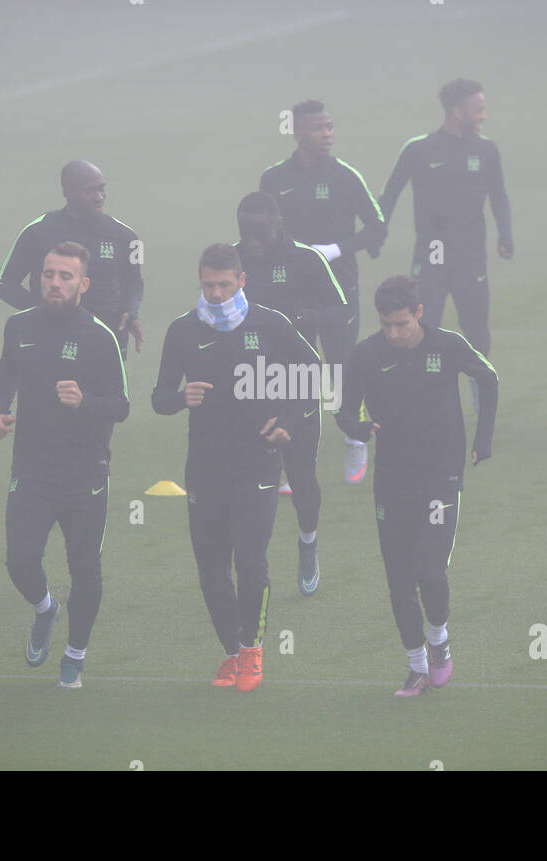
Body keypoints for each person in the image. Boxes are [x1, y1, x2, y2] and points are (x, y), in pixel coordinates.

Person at [152, 243, 320, 692]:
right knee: (210, 569)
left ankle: (252, 648)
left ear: (242, 281)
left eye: (225, 284)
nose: (217, 293)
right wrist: (179, 398)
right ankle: (230, 652)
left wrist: (286, 419)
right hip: (204, 469)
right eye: (209, 285)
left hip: (257, 465)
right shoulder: (183, 330)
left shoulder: (269, 324)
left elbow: (313, 371)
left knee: (250, 561)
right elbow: (159, 397)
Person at [335, 276, 498, 697]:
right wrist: (359, 428)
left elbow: (489, 378)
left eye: (401, 324)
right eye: (386, 325)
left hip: (441, 476)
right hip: (392, 480)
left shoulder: (446, 346)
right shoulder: (366, 355)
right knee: (399, 579)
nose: (393, 333)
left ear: (419, 314)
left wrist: (483, 440)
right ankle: (416, 667)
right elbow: (344, 411)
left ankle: (439, 638)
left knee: (430, 571)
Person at [0, 241, 129, 690]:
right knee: (19, 560)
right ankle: (45, 608)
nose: (54, 282)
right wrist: (0, 408)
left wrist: (84, 401)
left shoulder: (99, 336)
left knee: (85, 569)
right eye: (48, 273)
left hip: (85, 474)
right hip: (31, 469)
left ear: (83, 285)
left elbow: (121, 405)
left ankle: (75, 654)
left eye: (65, 276)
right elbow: (7, 368)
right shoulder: (18, 326)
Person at [261, 99, 388, 483]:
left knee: (340, 367)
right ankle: (287, 455)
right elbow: (261, 228)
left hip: (337, 288)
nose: (327, 134)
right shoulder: (274, 179)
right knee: (290, 370)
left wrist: (336, 250)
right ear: (297, 132)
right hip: (291, 289)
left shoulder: (346, 177)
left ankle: (354, 437)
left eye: (330, 127)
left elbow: (377, 227)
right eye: (319, 128)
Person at [233, 190, 348, 596]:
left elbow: (340, 310)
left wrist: (305, 317)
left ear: (278, 224)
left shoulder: (306, 259)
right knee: (245, 477)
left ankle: (308, 541)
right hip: (245, 381)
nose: (251, 241)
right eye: (245, 232)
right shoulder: (233, 260)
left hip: (298, 379)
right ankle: (250, 562)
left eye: (259, 233)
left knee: (301, 478)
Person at [377, 78, 513, 378]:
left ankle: (480, 383)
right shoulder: (419, 149)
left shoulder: (486, 150)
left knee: (477, 330)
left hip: (471, 256)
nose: (483, 116)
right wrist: (378, 233)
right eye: (478, 110)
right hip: (431, 256)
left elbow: (499, 195)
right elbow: (389, 194)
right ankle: (426, 386)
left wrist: (506, 234)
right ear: (457, 111)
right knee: (424, 327)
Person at [0, 159, 145, 357]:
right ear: (67, 193)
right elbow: (5, 283)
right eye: (90, 191)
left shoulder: (125, 236)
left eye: (102, 189)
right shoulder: (38, 231)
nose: (99, 197)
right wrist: (43, 310)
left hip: (106, 338)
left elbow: (134, 281)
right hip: (50, 337)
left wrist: (130, 312)